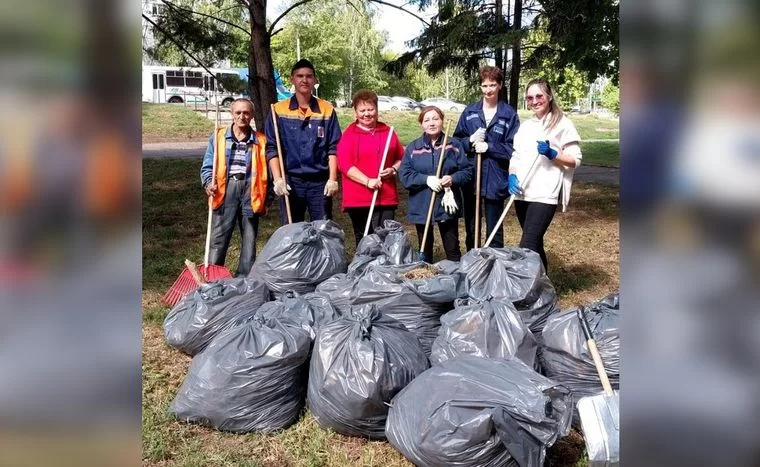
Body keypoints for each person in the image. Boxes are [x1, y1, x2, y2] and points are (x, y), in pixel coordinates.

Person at [507, 78, 582, 271]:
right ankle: (544, 285)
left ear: (549, 96)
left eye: (539, 96)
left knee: (527, 246)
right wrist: (512, 175)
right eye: (530, 98)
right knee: (535, 243)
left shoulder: (562, 124)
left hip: (545, 194)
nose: (534, 101)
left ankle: (526, 292)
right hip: (522, 192)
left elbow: (575, 159)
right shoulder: (526, 126)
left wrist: (553, 154)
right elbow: (516, 156)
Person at [265, 59, 342, 224]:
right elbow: (272, 148)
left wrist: (333, 179)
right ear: (292, 79)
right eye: (299, 76)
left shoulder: (327, 110)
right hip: (291, 181)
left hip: (319, 182)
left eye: (308, 76)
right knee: (291, 231)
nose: (304, 80)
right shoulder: (278, 110)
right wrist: (278, 179)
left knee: (323, 229)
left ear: (315, 80)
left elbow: (333, 148)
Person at [453, 66, 519, 250]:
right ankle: (471, 260)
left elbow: (514, 147)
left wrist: (490, 147)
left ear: (500, 86)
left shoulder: (508, 114)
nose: (488, 89)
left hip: (495, 178)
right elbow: (456, 143)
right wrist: (470, 142)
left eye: (492, 85)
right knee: (471, 225)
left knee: (494, 227)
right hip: (472, 176)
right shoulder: (470, 112)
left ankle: (494, 264)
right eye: (484, 85)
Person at [200, 98, 268, 276]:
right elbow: (208, 165)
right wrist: (208, 183)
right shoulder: (218, 136)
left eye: (246, 113)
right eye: (238, 113)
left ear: (252, 115)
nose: (242, 116)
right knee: (218, 237)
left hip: (250, 191)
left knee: (249, 237)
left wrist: (267, 199)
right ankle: (213, 275)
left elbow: (266, 171)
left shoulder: (261, 141)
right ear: (232, 114)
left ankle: (244, 279)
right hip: (225, 190)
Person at [399, 106, 473, 262]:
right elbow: (405, 175)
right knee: (424, 247)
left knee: (452, 247)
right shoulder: (414, 148)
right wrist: (426, 179)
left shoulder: (453, 145)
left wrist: (452, 178)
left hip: (446, 205)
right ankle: (425, 279)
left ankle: (455, 278)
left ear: (442, 121)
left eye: (435, 119)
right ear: (421, 124)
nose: (431, 123)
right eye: (427, 120)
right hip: (422, 204)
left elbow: (467, 171)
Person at [337, 89, 404, 246]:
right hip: (358, 198)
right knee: (365, 239)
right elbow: (345, 165)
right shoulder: (349, 135)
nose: (366, 114)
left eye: (370, 109)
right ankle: (365, 267)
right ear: (356, 112)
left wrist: (393, 169)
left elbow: (401, 157)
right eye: (362, 110)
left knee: (386, 239)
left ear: (377, 110)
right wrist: (367, 181)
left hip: (385, 196)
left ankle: (382, 269)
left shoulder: (388, 132)